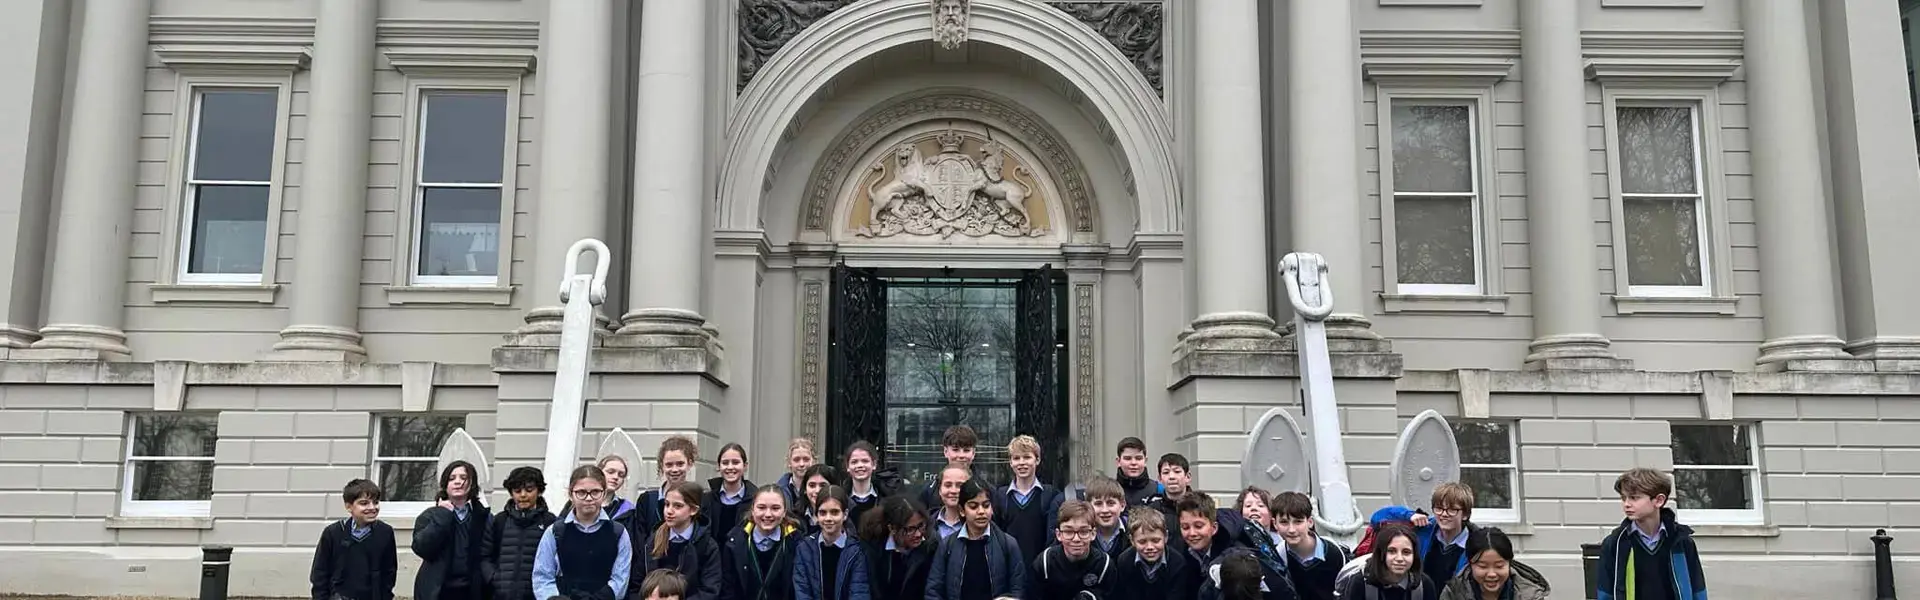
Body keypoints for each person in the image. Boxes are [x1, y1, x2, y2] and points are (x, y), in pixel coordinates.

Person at [1595, 468, 1707, 600]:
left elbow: (1698, 589)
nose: (1626, 504)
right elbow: (1605, 592)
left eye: (1634, 498)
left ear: (1659, 500)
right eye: (1623, 498)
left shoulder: (1681, 541)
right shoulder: (1615, 543)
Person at [532, 465, 634, 600]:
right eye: (581, 492)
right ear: (570, 494)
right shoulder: (555, 532)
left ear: (603, 493)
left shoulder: (618, 533)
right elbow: (542, 577)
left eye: (595, 492)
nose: (588, 498)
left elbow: (620, 580)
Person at [924, 478, 1025, 600]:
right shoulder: (948, 545)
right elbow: (933, 590)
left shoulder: (1008, 544)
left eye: (986, 505)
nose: (981, 511)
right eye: (973, 506)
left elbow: (1018, 588)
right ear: (962, 510)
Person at [413, 461, 491, 600]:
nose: (457, 482)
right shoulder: (430, 515)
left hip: (473, 591)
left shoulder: (484, 517)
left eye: (463, 477)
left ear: (472, 483)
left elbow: (491, 554)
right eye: (452, 478)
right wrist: (443, 515)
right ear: (445, 484)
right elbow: (422, 548)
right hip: (438, 591)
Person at [311, 479, 397, 600]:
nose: (372, 507)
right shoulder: (333, 533)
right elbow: (320, 573)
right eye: (364, 503)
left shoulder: (385, 532)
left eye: (376, 502)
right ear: (349, 506)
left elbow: (389, 573)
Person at [638, 481, 724, 600]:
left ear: (693, 510)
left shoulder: (707, 545)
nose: (669, 511)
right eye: (667, 504)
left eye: (677, 506)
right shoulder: (653, 540)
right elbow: (637, 584)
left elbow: (710, 590)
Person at [485, 467, 559, 600]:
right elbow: (485, 555)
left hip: (536, 595)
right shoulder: (500, 520)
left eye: (529, 490)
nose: (523, 495)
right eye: (517, 491)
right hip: (502, 595)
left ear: (539, 491)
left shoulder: (550, 521)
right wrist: (494, 579)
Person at [995, 435, 1065, 568]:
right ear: (1010, 462)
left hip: (1041, 569)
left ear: (1037, 460)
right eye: (1016, 458)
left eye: (1027, 457)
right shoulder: (1000, 497)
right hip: (1009, 569)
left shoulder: (1050, 495)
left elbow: (1053, 538)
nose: (1021, 462)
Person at [722, 485, 800, 600]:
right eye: (761, 507)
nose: (768, 514)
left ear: (784, 512)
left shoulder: (796, 543)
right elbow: (727, 589)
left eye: (775, 508)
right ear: (753, 510)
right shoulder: (735, 543)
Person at [795, 485, 873, 600]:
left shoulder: (857, 551)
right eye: (822, 512)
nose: (828, 518)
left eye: (834, 512)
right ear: (816, 515)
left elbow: (859, 592)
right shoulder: (804, 548)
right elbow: (802, 591)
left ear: (845, 514)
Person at [1268, 492, 1349, 600]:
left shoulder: (1333, 553)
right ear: (1274, 524)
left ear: (1310, 522)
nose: (1291, 529)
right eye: (1284, 522)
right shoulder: (1279, 555)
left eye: (1298, 522)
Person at [1025, 501, 1111, 600]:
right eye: (1068, 531)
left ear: (1093, 534)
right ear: (1058, 534)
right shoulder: (1045, 564)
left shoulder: (1104, 565)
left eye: (1083, 531)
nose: (1076, 539)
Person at [1105, 506, 1196, 600]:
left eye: (1156, 540)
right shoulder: (1124, 561)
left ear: (1165, 537)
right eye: (1142, 542)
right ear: (1132, 541)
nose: (1150, 547)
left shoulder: (1177, 563)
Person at [857, 496, 937, 600]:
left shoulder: (930, 549)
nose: (918, 534)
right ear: (892, 528)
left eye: (921, 525)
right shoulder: (873, 550)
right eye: (910, 529)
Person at [1439, 528, 1548, 600]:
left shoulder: (1530, 595)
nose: (1491, 574)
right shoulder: (1453, 593)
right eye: (1483, 566)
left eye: (1499, 566)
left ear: (1509, 562)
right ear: (1470, 563)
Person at [1333, 524, 1435, 600]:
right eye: (1392, 551)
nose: (1399, 558)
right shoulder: (1360, 583)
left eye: (1406, 552)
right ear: (1381, 553)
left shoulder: (1424, 585)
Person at [638, 437, 701, 536]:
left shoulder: (699, 500)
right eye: (669, 465)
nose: (674, 469)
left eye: (680, 464)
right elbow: (639, 541)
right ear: (662, 466)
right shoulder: (647, 501)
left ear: (689, 464)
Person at [917, 426, 982, 513]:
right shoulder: (930, 491)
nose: (961, 455)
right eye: (955, 450)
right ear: (945, 452)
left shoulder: (987, 490)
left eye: (966, 450)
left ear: (973, 453)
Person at [706, 443, 758, 545]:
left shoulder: (755, 500)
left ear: (745, 466)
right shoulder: (707, 499)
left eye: (735, 462)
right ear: (718, 466)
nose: (730, 467)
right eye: (725, 463)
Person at [845, 441, 901, 527]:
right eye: (854, 462)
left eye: (865, 461)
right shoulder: (841, 499)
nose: (860, 465)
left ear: (874, 464)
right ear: (847, 467)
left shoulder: (888, 498)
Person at [1082, 477, 1132, 559]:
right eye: (1098, 504)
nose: (1105, 510)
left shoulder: (1133, 531)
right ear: (1088, 506)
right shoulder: (1080, 533)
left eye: (1111, 503)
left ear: (1122, 505)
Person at [1112, 438, 1165, 507]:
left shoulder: (1159, 490)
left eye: (1138, 458)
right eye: (1128, 458)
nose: (1133, 463)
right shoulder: (1108, 491)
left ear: (1145, 461)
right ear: (1118, 461)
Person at [929, 464, 972, 541]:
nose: (953, 491)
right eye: (948, 485)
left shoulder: (980, 525)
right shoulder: (925, 525)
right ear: (940, 490)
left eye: (960, 485)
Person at [1147, 454, 1193, 519]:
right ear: (1160, 479)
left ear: (1188, 477)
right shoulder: (1152, 511)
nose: (1171, 477)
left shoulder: (1200, 506)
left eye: (1177, 472)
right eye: (1166, 472)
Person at [779, 438, 820, 511]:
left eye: (806, 459)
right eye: (796, 460)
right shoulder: (779, 490)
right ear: (789, 463)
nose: (801, 464)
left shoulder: (822, 488)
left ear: (814, 461)